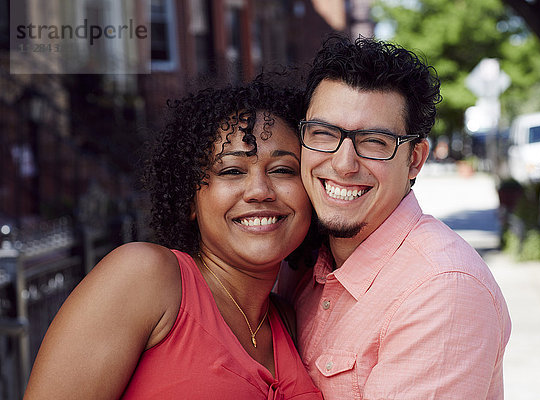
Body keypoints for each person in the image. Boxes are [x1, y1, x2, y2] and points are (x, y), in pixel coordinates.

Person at [24, 77, 323, 399]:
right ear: (189, 199)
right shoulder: (144, 277)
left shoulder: (290, 320)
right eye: (232, 171)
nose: (260, 191)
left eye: (282, 170)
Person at [280, 35, 512, 399]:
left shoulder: (442, 289)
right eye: (323, 134)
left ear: (415, 159)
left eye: (374, 141)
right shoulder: (303, 263)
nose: (343, 164)